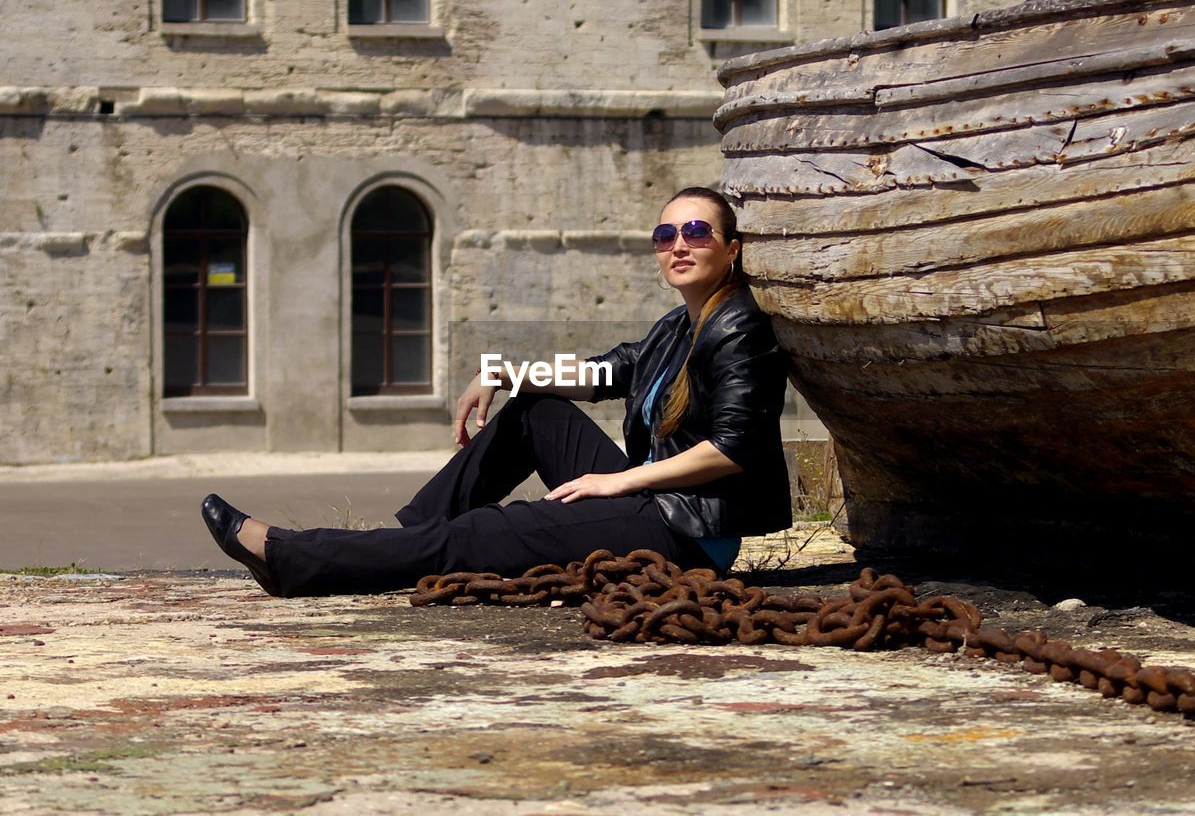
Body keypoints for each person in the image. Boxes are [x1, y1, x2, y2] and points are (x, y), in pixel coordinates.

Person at [201, 186, 792, 597]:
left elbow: (732, 449)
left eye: (696, 232)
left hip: (688, 533)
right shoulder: (675, 326)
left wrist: (616, 481)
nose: (679, 245)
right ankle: (407, 541)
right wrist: (500, 371)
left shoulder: (739, 325)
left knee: (487, 534)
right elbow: (602, 372)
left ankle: (292, 559)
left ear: (732, 247)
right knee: (534, 411)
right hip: (653, 501)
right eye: (666, 234)